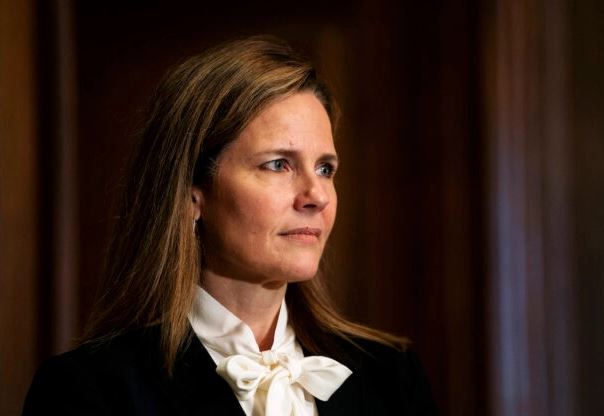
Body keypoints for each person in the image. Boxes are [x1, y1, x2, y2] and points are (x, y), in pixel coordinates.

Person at [22, 36, 437, 415]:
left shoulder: (391, 376)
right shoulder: (90, 390)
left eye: (325, 168)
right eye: (278, 164)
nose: (317, 195)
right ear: (192, 194)